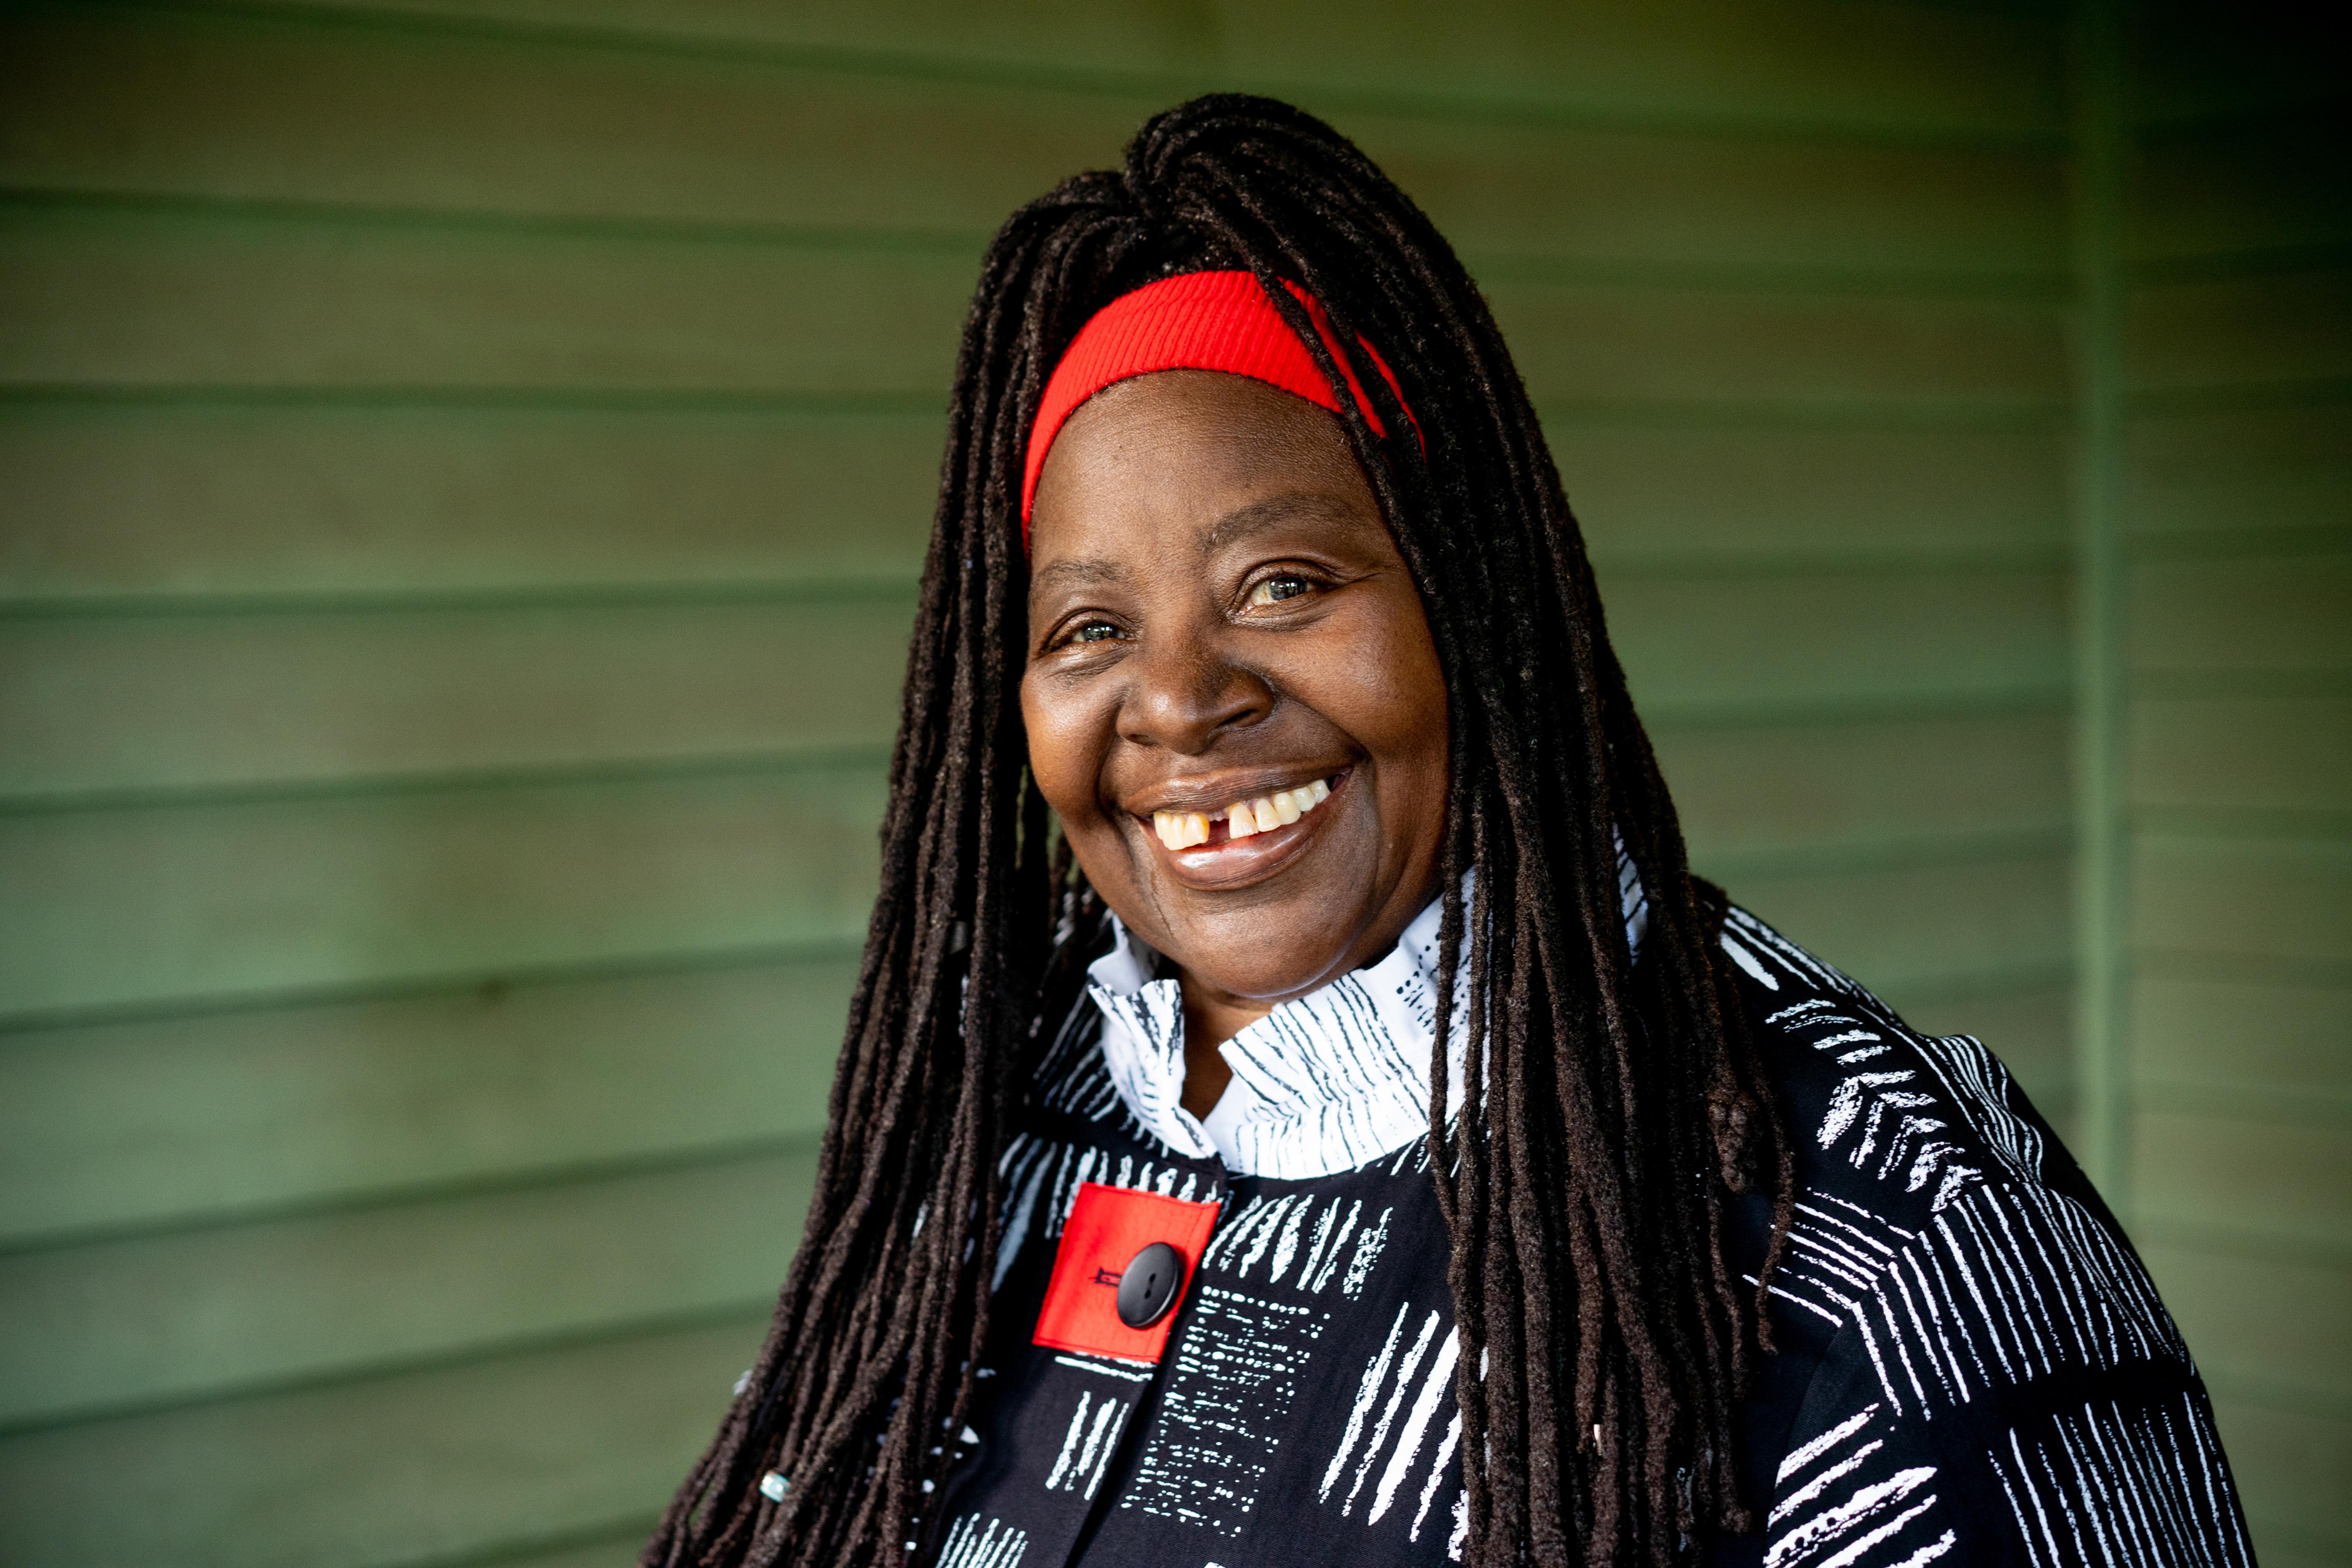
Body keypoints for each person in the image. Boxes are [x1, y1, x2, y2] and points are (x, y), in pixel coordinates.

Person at [644, 97, 2248, 1568]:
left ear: (1473, 608)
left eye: (1283, 583)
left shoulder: (1876, 1228)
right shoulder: (975, 1142)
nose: (1181, 701)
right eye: (1086, 628)